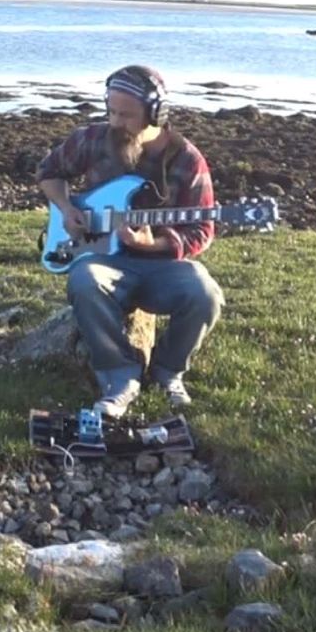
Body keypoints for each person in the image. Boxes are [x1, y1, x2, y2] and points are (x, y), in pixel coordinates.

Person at [36, 64, 224, 419]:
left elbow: (202, 230)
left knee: (206, 294)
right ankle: (119, 378)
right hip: (103, 260)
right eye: (111, 111)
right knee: (84, 280)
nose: (116, 122)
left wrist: (155, 244)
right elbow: (49, 172)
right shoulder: (92, 139)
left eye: (127, 115)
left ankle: (168, 372)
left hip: (161, 267)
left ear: (156, 113)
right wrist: (66, 208)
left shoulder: (187, 159)